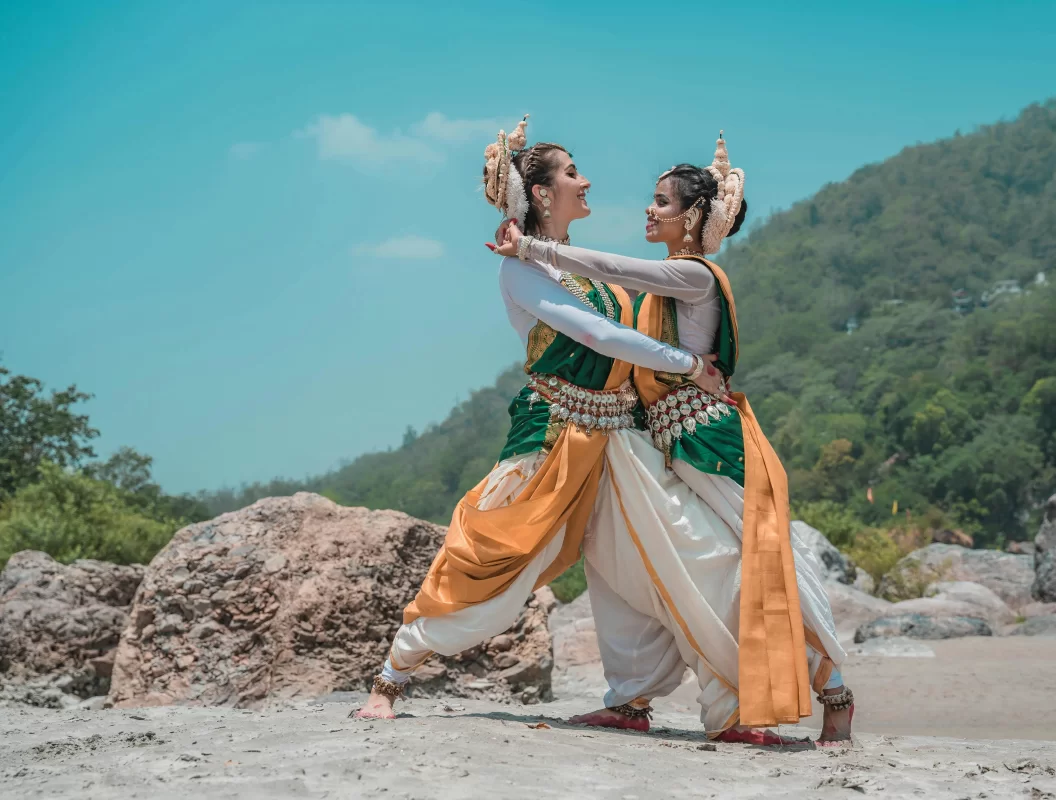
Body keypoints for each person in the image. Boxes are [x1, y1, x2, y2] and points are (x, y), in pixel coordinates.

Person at [353, 116, 725, 720]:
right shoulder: (519, 270)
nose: (587, 181)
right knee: (502, 550)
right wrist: (690, 364)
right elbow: (599, 335)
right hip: (553, 432)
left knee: (633, 559)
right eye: (573, 172)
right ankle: (392, 675)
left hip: (615, 434)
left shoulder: (574, 262)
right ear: (546, 194)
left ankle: (631, 699)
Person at [491, 133, 854, 747]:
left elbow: (609, 269)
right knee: (682, 556)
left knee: (769, 558)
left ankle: (835, 692)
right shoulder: (666, 281)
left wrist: (527, 245)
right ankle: (638, 697)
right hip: (670, 438)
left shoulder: (691, 275)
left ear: (690, 218)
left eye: (661, 202)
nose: (649, 210)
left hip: (711, 438)